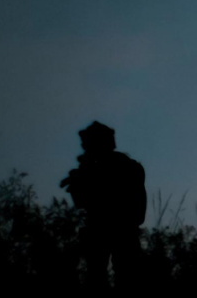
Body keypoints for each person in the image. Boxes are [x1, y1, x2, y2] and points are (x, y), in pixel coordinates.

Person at [60, 121, 146, 287]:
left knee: (119, 275)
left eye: (87, 144)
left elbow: (87, 201)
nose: (84, 148)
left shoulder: (121, 167)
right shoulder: (124, 166)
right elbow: (82, 202)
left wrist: (84, 176)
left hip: (117, 231)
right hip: (110, 232)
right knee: (105, 275)